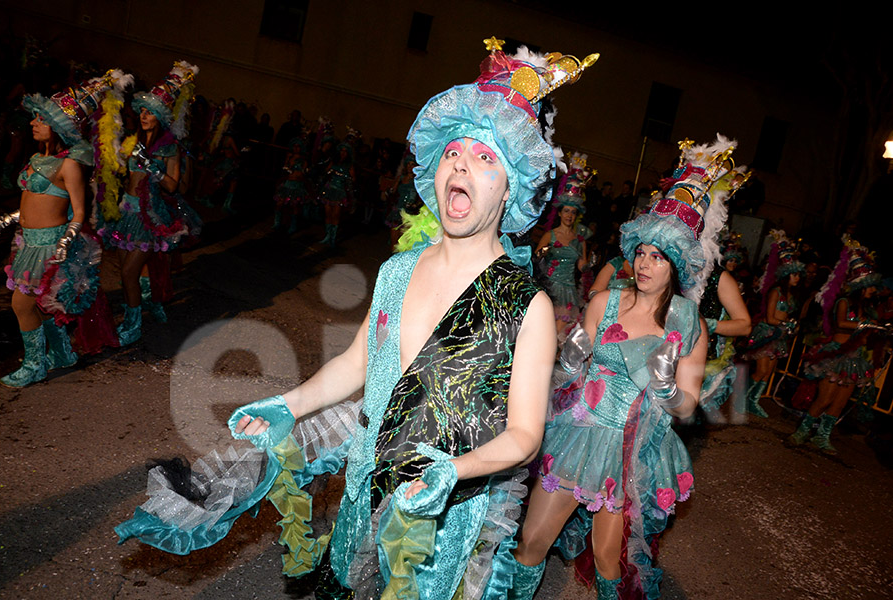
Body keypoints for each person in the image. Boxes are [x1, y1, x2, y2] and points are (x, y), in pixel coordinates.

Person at [115, 38, 598, 599]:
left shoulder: (527, 305)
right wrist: (288, 404)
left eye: (486, 157)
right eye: (453, 152)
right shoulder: (397, 270)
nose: (462, 163)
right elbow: (360, 361)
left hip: (441, 525)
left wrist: (453, 472)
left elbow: (524, 435)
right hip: (367, 482)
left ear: (512, 185)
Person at [511, 137, 744, 599]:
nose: (644, 263)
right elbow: (568, 370)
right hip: (579, 433)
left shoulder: (687, 322)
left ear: (676, 263)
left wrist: (665, 388)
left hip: (629, 452)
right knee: (532, 542)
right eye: (641, 252)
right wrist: (570, 360)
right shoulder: (603, 301)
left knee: (606, 556)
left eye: (658, 256)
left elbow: (687, 408)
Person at [0, 70, 130, 387]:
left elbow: (79, 211)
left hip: (50, 245)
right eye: (35, 119)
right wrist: (8, 219)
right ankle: (63, 352)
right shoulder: (35, 159)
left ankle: (34, 365)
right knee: (38, 304)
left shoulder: (69, 164)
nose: (33, 123)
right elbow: (36, 203)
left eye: (41, 120)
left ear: (59, 127)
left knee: (21, 304)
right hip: (27, 242)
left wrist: (66, 241)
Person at [97, 61, 198, 346]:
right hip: (126, 212)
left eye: (149, 112)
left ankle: (133, 323)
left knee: (129, 271)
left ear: (160, 117)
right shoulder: (132, 141)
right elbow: (120, 171)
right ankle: (145, 304)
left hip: (149, 216)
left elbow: (173, 185)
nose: (143, 115)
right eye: (141, 110)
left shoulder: (169, 148)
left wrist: (152, 168)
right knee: (126, 270)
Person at [789, 238, 883, 453]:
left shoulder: (868, 310)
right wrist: (865, 324)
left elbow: (866, 336)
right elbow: (841, 323)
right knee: (825, 398)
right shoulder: (844, 302)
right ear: (860, 286)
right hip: (835, 357)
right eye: (869, 287)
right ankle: (801, 432)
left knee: (839, 403)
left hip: (854, 360)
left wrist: (877, 330)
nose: (872, 291)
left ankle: (822, 436)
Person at [740, 230, 804, 417]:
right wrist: (787, 323)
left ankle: (753, 401)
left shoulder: (790, 294)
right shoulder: (775, 291)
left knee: (768, 373)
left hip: (779, 336)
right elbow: (769, 317)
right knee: (760, 371)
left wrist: (791, 325)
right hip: (768, 333)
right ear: (786, 275)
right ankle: (741, 399)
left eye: (798, 275)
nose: (798, 278)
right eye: (795, 275)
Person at [535, 163, 593, 339]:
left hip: (568, 291)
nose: (569, 215)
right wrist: (544, 251)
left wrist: (589, 265)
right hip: (549, 288)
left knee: (556, 334)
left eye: (573, 212)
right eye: (566, 211)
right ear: (560, 213)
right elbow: (536, 258)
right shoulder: (550, 235)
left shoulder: (579, 239)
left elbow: (581, 265)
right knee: (541, 330)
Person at [698, 233, 752, 419]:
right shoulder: (666, 268)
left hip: (698, 362)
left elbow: (744, 326)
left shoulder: (719, 278)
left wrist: (704, 324)